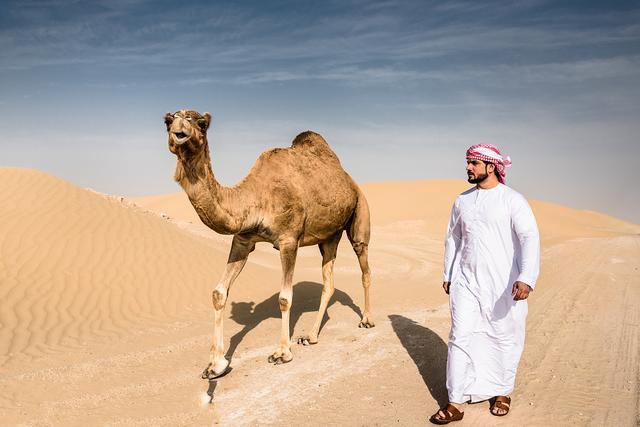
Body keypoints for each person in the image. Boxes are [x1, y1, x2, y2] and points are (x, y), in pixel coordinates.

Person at [430, 144, 540, 424]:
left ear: (491, 167)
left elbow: (529, 238)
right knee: (460, 336)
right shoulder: (462, 200)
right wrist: (449, 274)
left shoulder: (512, 200)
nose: (468, 167)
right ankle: (455, 401)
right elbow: (453, 238)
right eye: (468, 162)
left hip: (503, 283)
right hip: (466, 281)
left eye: (474, 163)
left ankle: (502, 392)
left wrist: (526, 277)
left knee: (504, 335)